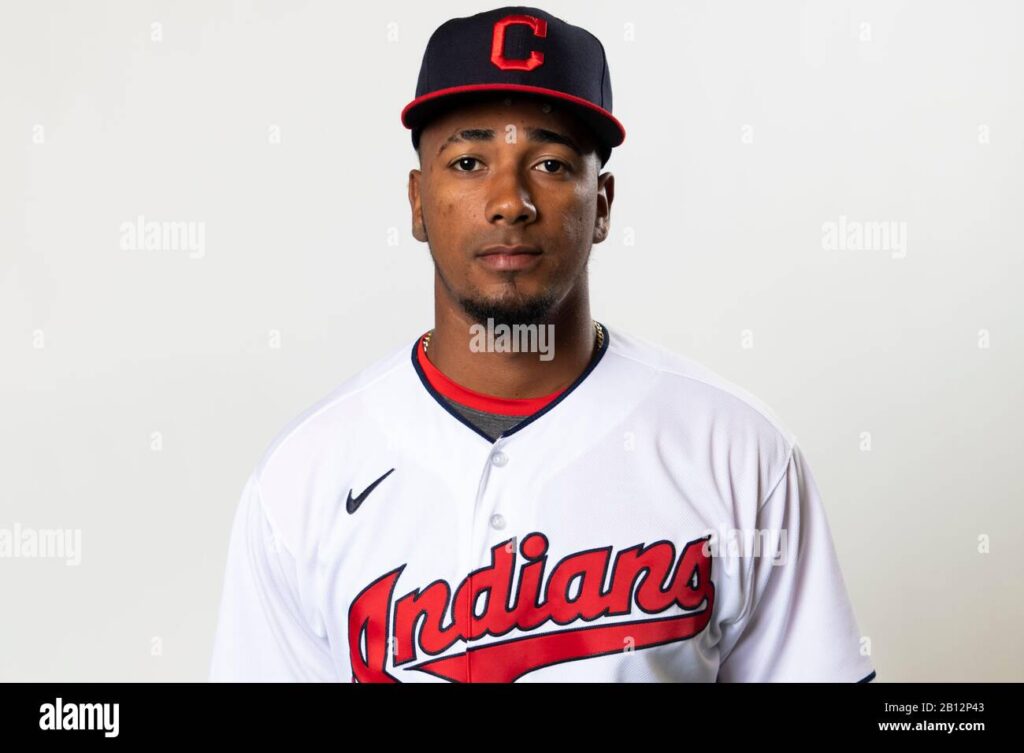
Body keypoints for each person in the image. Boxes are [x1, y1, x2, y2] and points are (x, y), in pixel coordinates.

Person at [209, 6, 876, 683]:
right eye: (469, 161)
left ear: (604, 205)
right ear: (417, 201)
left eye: (552, 163)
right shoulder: (302, 477)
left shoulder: (738, 453)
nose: (510, 201)